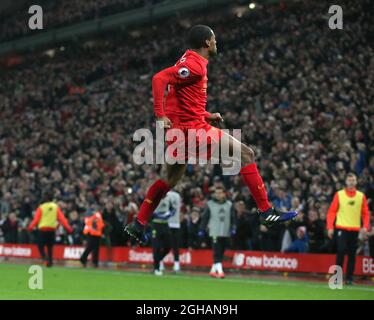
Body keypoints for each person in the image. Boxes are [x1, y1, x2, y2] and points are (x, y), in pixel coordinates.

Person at [125, 24, 297, 242]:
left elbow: (180, 98)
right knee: (246, 154)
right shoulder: (195, 66)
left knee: (170, 178)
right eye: (214, 39)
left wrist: (206, 114)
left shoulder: (187, 60)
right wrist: (159, 115)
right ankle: (266, 211)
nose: (216, 42)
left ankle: (139, 223)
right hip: (191, 132)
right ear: (207, 42)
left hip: (181, 130)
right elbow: (159, 79)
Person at [326, 173, 371, 285]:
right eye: (349, 180)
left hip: (355, 230)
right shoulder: (339, 195)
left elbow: (365, 213)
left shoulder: (361, 196)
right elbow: (331, 211)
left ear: (356, 182)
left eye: (353, 180)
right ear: (346, 182)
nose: (351, 182)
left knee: (352, 254)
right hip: (341, 228)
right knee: (341, 251)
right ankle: (337, 278)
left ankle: (349, 278)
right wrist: (330, 227)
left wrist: (365, 227)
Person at [27, 191, 73, 267]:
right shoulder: (55, 207)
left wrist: (30, 227)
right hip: (51, 230)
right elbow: (62, 219)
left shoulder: (41, 207)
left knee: (40, 246)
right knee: (50, 247)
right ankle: (50, 262)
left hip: (42, 230)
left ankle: (45, 259)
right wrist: (68, 228)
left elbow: (36, 220)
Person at [199, 186, 235, 278]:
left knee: (221, 252)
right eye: (216, 193)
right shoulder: (210, 204)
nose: (218, 194)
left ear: (224, 194)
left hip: (225, 232)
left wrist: (233, 227)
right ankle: (220, 272)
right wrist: (202, 229)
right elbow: (205, 218)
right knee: (217, 251)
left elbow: (233, 218)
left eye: (220, 193)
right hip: (214, 231)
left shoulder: (229, 204)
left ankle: (213, 270)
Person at [150, 190, 180, 275]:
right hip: (156, 224)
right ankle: (156, 268)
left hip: (165, 225)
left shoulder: (168, 199)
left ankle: (157, 261)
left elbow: (173, 209)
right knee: (157, 247)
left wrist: (169, 214)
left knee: (168, 246)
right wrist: (158, 215)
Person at [159, 189, 182, 273]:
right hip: (176, 223)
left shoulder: (166, 194)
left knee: (163, 245)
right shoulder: (178, 195)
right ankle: (176, 265)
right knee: (175, 246)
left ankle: (160, 263)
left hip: (166, 223)